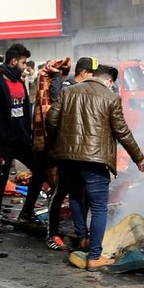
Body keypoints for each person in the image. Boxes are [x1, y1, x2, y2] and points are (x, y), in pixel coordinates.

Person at [46, 66, 144, 269]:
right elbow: (122, 131)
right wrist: (138, 157)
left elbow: (51, 120)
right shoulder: (111, 97)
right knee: (99, 207)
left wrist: (62, 141)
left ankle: (83, 238)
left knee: (75, 196)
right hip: (95, 160)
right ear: (109, 81)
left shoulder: (68, 92)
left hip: (68, 158)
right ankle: (94, 256)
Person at [0, 43, 46, 243]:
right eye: (24, 63)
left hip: (22, 141)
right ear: (13, 61)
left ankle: (27, 211)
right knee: (0, 183)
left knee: (40, 171)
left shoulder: (20, 83)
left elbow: (25, 111)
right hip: (2, 144)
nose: (26, 67)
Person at [45, 57, 96, 250]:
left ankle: (81, 232)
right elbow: (54, 115)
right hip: (66, 151)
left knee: (82, 193)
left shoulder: (85, 91)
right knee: (61, 193)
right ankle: (52, 233)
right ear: (83, 73)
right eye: (92, 74)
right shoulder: (68, 87)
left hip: (82, 152)